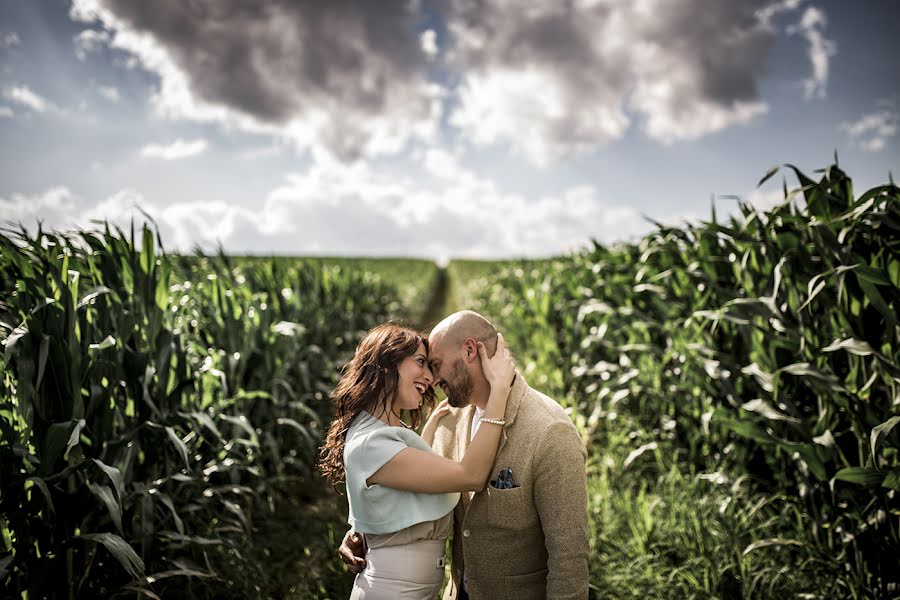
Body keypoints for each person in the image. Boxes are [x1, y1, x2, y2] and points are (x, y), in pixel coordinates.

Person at [339, 311, 589, 600]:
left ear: (470, 350)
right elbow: (414, 492)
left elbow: (569, 557)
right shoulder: (450, 421)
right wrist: (367, 533)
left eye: (434, 364)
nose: (432, 379)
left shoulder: (549, 431)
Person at [318, 322, 516, 600]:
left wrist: (361, 532)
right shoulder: (372, 443)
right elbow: (470, 475)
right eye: (421, 363)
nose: (431, 378)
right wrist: (499, 393)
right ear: (386, 362)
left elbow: (392, 496)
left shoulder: (379, 432)